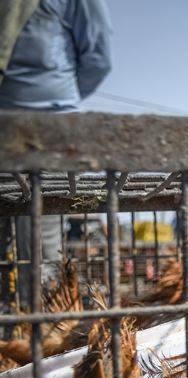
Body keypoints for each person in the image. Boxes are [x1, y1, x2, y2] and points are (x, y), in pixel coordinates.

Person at [0, 0, 112, 306]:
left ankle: (42, 333)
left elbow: (98, 59)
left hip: (48, 134)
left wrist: (54, 99)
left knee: (42, 254)